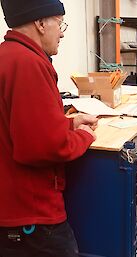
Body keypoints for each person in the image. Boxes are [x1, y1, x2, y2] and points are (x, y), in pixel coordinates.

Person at [0, 0, 98, 256]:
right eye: (59, 22)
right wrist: (83, 137)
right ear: (41, 23)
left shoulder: (7, 56)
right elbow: (45, 147)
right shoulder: (28, 64)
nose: (63, 31)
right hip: (33, 218)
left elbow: (16, 126)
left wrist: (68, 123)